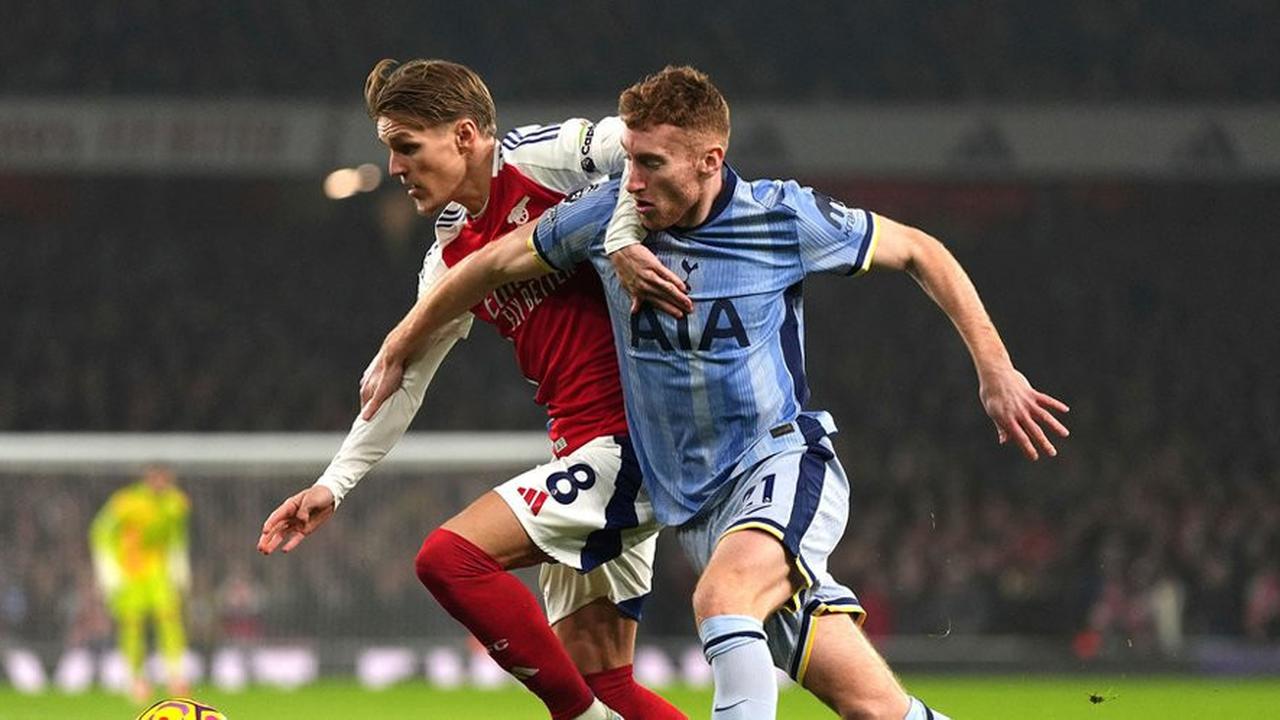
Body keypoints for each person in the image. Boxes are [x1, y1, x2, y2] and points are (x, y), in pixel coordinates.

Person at [361, 65, 1071, 719]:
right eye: (629, 158)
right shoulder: (607, 220)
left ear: (709, 161)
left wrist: (996, 368)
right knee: (878, 709)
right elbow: (487, 267)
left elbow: (920, 249)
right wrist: (400, 342)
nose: (630, 181)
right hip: (695, 504)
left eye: (650, 164)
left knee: (721, 601)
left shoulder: (782, 218)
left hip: (780, 465)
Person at [257, 58, 685, 720]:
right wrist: (332, 484)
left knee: (448, 560)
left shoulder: (541, 160)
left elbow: (643, 142)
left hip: (639, 438)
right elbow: (402, 381)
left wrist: (626, 231)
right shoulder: (450, 252)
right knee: (607, 682)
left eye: (406, 147)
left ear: (463, 136)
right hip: (589, 450)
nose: (395, 169)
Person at [90, 464, 191, 703]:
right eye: (156, 479)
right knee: (132, 627)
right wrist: (107, 569)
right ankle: (136, 679)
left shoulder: (176, 503)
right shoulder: (125, 502)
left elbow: (177, 536)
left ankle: (175, 676)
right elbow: (100, 531)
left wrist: (180, 566)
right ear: (147, 479)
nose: (161, 484)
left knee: (170, 621)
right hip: (130, 572)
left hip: (159, 573)